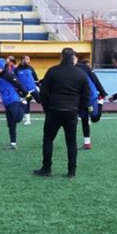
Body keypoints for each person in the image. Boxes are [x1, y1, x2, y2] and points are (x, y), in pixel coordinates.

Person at [33, 48, 90, 178]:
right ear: (73, 57)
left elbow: (43, 92)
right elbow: (86, 95)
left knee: (48, 139)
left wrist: (47, 108)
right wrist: (79, 109)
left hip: (54, 110)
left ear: (61, 57)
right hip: (71, 111)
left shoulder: (53, 71)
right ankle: (71, 171)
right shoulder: (81, 74)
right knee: (71, 142)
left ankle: (46, 169)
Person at [0, 58, 28, 150]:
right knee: (11, 123)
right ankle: (13, 143)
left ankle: (24, 104)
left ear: (1, 67)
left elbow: (18, 84)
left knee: (17, 119)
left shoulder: (8, 75)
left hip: (13, 100)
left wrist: (24, 94)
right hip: (6, 102)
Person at [75, 57, 108, 150]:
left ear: (77, 58)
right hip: (80, 100)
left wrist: (102, 92)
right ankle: (87, 143)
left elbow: (95, 79)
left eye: (73, 58)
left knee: (94, 118)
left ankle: (100, 102)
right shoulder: (68, 69)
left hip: (91, 97)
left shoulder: (84, 67)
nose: (71, 60)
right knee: (84, 119)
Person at [15, 55, 41, 125]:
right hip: (24, 91)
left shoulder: (31, 68)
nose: (29, 61)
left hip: (33, 89)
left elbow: (36, 78)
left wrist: (39, 87)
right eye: (27, 59)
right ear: (22, 60)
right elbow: (15, 82)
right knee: (26, 104)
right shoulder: (16, 70)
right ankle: (28, 120)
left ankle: (50, 114)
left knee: (41, 101)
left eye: (29, 59)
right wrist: (19, 91)